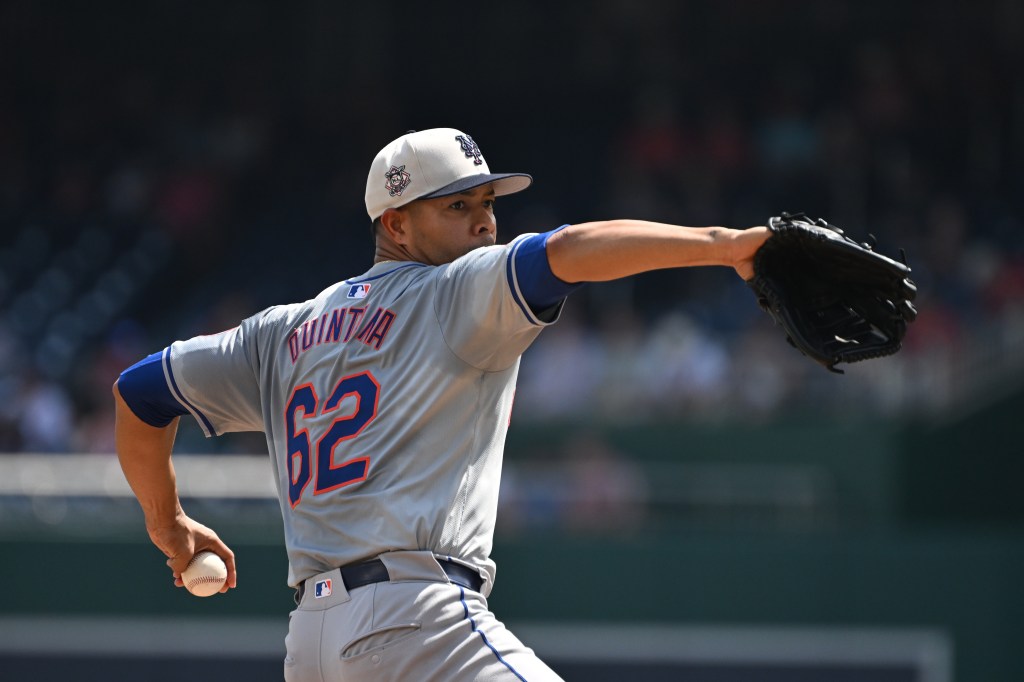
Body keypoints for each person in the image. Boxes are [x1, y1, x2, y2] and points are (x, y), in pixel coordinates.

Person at [113, 127, 771, 681]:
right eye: (456, 207)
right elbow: (567, 252)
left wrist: (168, 527)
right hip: (415, 621)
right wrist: (728, 246)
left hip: (313, 643)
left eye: (487, 201)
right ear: (396, 223)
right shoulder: (453, 291)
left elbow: (140, 392)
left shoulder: (279, 333)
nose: (485, 219)